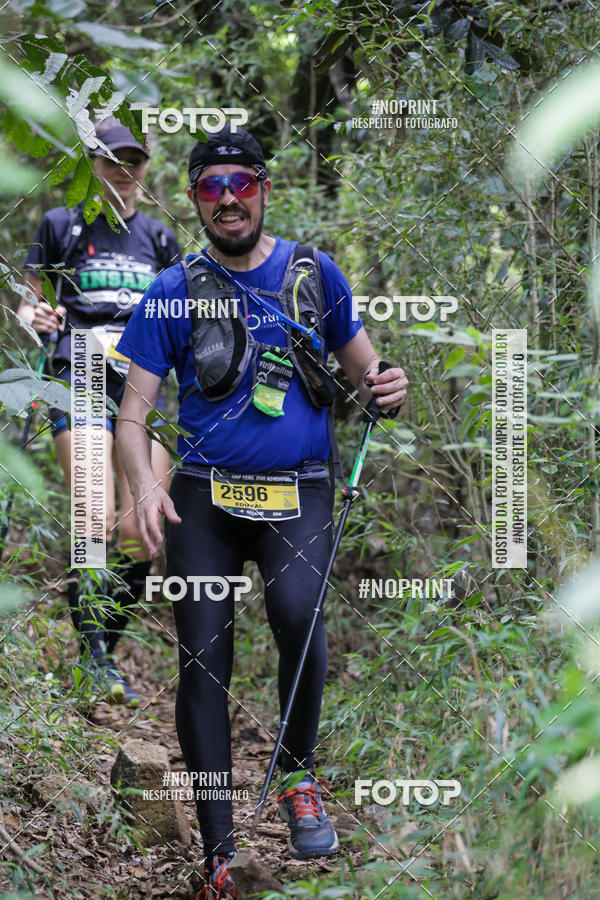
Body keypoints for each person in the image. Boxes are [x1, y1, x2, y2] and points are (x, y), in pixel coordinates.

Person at [115, 125, 408, 896]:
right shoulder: (172, 290)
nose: (229, 199)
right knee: (203, 657)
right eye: (213, 187)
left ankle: (296, 773)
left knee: (298, 612)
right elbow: (133, 415)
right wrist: (144, 486)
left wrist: (389, 386)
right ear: (195, 199)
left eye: (242, 183)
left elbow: (369, 369)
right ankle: (218, 849)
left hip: (299, 490)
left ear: (265, 189)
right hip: (203, 497)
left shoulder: (315, 275)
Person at [18, 117, 181, 707]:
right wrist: (31, 317)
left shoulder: (161, 240)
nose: (123, 171)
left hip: (145, 387)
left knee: (144, 532)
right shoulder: (61, 224)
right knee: (96, 519)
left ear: (145, 168)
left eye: (133, 160)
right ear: (93, 164)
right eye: (112, 160)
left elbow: (182, 318)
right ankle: (92, 663)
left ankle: (103, 654)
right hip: (80, 374)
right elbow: (29, 303)